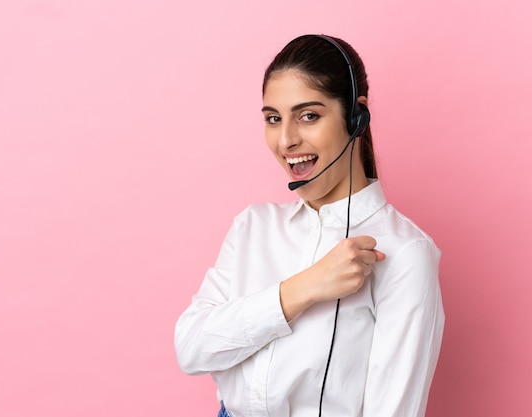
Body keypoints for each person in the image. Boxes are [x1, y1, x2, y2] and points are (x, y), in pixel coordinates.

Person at [174, 34, 445, 417]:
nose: (286, 140)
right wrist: (302, 289)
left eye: (308, 116)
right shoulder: (253, 226)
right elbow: (191, 348)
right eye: (273, 119)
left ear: (356, 117)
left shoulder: (405, 252)